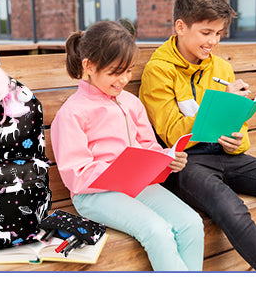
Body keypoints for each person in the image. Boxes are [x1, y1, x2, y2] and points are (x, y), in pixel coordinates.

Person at [139, 0, 256, 271]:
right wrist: (216, 108)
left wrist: (235, 141)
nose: (212, 41)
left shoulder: (221, 67)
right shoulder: (159, 71)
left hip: (227, 156)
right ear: (180, 27)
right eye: (205, 32)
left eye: (218, 33)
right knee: (235, 211)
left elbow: (242, 131)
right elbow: (170, 133)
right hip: (186, 164)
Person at [51, 21, 203, 271]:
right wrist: (115, 171)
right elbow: (76, 175)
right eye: (115, 72)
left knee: (191, 223)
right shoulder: (72, 113)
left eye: (129, 70)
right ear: (89, 66)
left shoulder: (131, 103)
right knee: (158, 231)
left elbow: (148, 146)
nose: (124, 79)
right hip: (94, 195)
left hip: (136, 185)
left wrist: (168, 157)